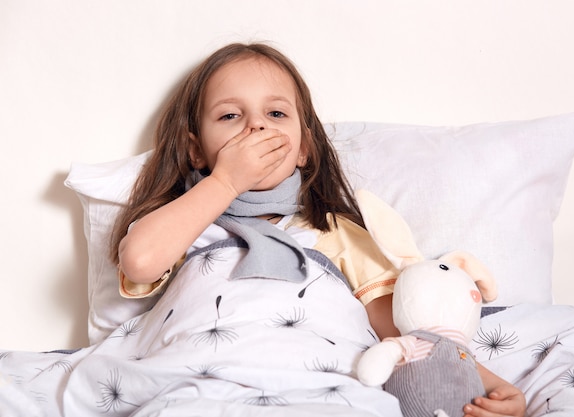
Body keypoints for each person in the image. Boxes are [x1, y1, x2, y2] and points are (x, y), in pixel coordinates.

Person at [110, 42, 526, 417]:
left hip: (321, 382)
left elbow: (406, 334)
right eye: (230, 115)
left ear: (304, 147)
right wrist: (225, 182)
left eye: (275, 113)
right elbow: (141, 261)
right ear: (195, 148)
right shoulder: (184, 224)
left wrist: (492, 385)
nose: (255, 126)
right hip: (201, 378)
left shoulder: (336, 233)